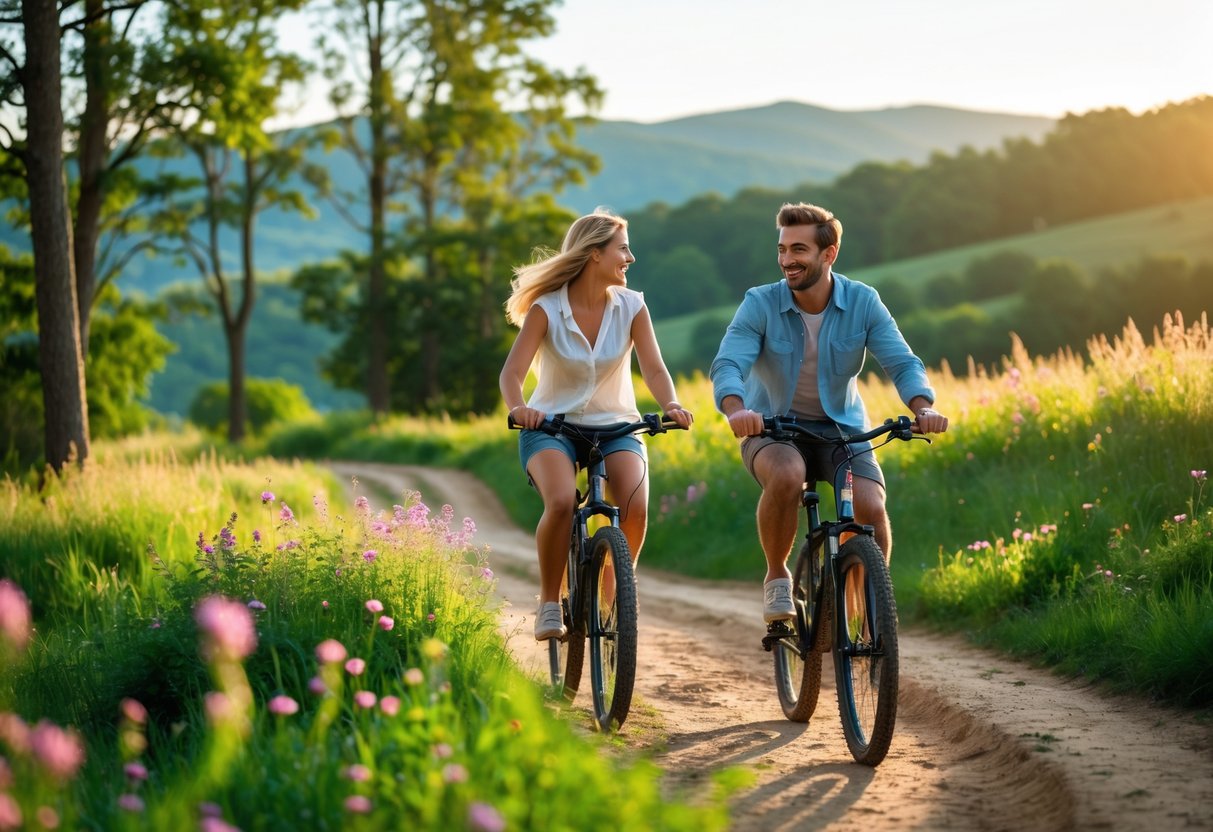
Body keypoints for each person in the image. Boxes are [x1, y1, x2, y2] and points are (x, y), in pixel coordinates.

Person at [709, 202, 948, 623]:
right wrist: (736, 409)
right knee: (786, 475)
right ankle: (778, 576)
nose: (787, 260)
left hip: (841, 429)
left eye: (798, 249)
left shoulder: (863, 302)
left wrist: (923, 407)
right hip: (772, 427)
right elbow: (729, 363)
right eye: (782, 249)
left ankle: (869, 611)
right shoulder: (760, 303)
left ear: (828, 253)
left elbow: (902, 362)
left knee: (871, 509)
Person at [500, 210, 694, 641]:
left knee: (636, 506)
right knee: (562, 503)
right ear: (593, 255)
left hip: (616, 427)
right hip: (551, 426)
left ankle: (612, 595)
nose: (631, 257)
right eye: (623, 248)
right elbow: (511, 374)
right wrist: (519, 408)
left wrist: (672, 403)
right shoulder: (546, 309)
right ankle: (550, 602)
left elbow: (655, 370)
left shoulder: (632, 306)